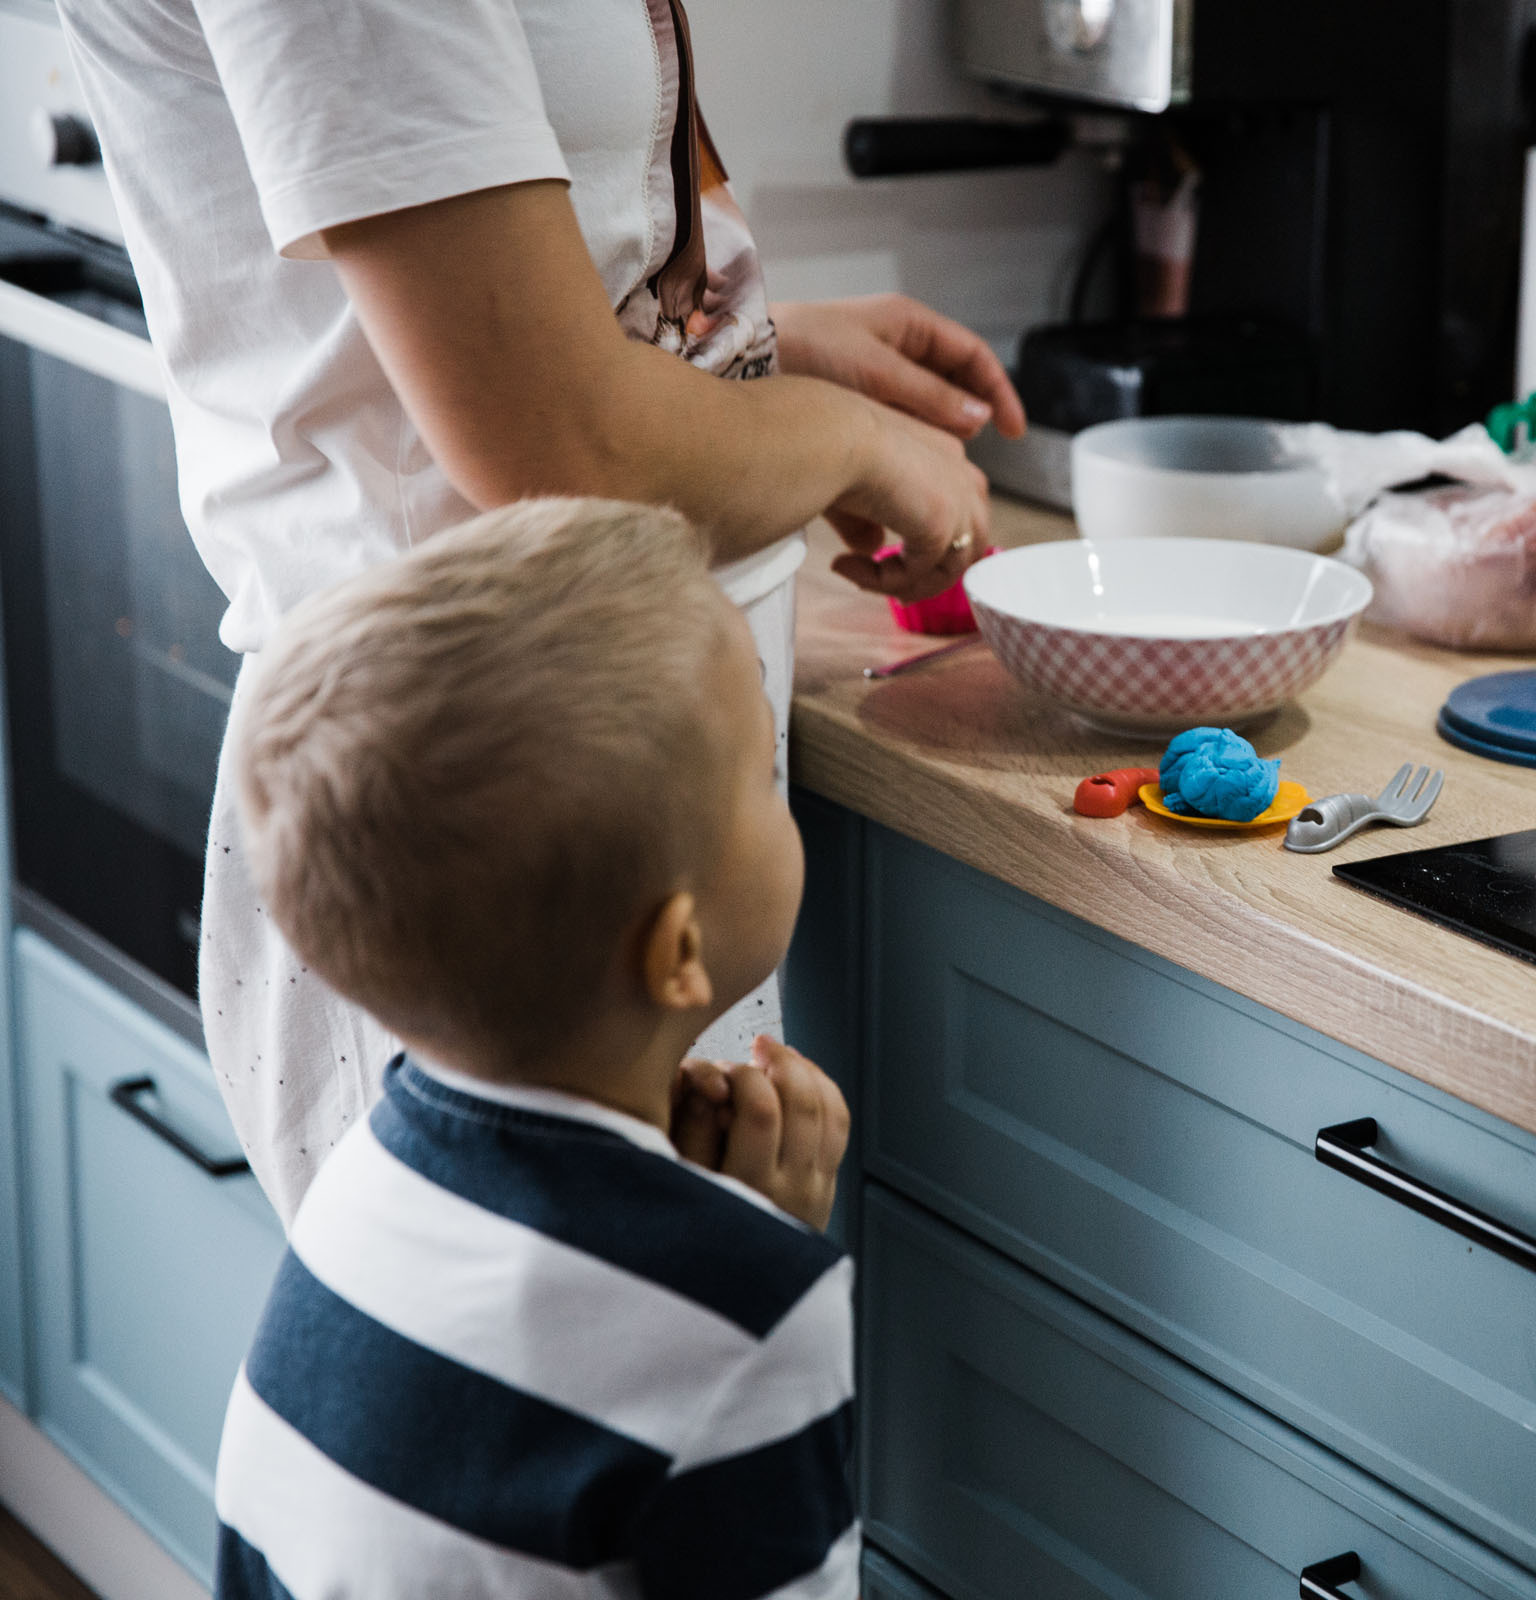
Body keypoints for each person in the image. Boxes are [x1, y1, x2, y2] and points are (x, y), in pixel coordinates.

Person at [55, 0, 1022, 1221]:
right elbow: (563, 443)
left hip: (584, 798)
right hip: (490, 817)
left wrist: (758, 354)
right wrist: (848, 441)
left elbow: (486, 317)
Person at [216, 496, 856, 1598]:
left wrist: (721, 1252)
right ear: (680, 951)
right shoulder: (752, 1317)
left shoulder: (359, 1185)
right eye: (764, 774)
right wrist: (751, 1265)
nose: (776, 787)